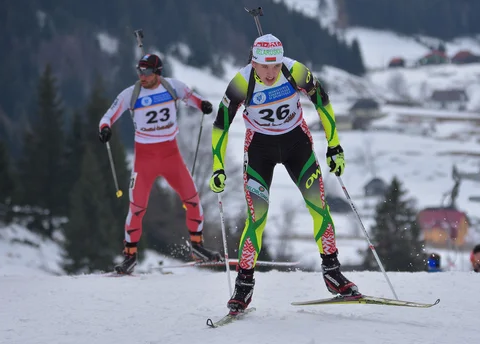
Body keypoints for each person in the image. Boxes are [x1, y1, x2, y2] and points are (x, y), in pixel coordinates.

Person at [209, 33, 358, 313]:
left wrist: (334, 144)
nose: (270, 72)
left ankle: (332, 272)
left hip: (296, 145)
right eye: (264, 66)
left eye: (275, 66)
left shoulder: (296, 71)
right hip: (259, 151)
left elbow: (322, 102)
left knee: (319, 208)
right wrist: (217, 165)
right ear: (253, 63)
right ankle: (244, 286)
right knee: (257, 219)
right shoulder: (242, 82)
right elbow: (221, 125)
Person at [99, 53, 221, 274]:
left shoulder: (173, 87)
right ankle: (129, 256)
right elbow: (107, 116)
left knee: (192, 199)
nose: (141, 76)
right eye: (139, 71)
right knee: (136, 209)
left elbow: (193, 98)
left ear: (157, 72)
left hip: (170, 155)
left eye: (146, 72)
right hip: (145, 159)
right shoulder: (131, 94)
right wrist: (105, 129)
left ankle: (197, 247)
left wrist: (203, 105)